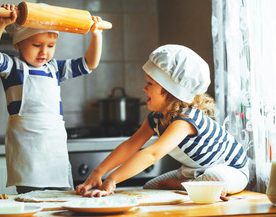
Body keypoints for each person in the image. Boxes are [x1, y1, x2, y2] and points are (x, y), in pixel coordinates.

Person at [76, 44, 249, 197]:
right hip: (193, 172)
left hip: (232, 170)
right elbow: (130, 145)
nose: (144, 88)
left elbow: (153, 153)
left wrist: (112, 180)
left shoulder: (185, 119)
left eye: (149, 83)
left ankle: (191, 186)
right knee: (151, 187)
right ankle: (192, 185)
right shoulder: (155, 118)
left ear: (169, 90)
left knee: (215, 178)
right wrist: (99, 172)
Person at [0, 4, 103, 193]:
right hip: (27, 152)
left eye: (50, 46)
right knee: (32, 202)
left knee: (63, 203)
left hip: (54, 149)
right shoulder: (13, 68)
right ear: (18, 44)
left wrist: (96, 35)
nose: (44, 52)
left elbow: (90, 63)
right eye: (36, 45)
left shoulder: (54, 68)